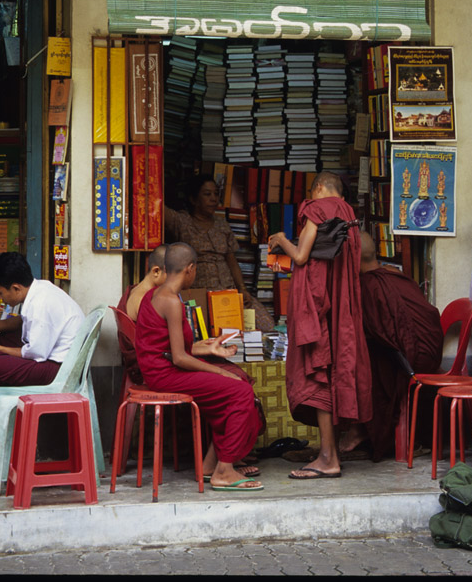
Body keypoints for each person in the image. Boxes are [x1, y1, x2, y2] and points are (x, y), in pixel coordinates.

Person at [135, 241, 265, 491]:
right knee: (239, 391)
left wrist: (209, 350)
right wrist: (218, 370)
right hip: (165, 375)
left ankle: (209, 465)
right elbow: (179, 358)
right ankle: (225, 471)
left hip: (164, 367)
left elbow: (173, 348)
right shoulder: (171, 301)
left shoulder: (156, 294)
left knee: (239, 377)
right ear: (190, 269)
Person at [268, 171, 372, 480]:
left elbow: (301, 257)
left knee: (319, 376)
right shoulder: (350, 216)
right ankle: (330, 451)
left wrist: (282, 239)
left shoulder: (315, 208)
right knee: (333, 373)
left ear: (317, 189)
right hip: (343, 309)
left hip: (319, 307)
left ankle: (328, 458)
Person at [339, 232, 444, 461]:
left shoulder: (369, 285)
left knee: (354, 363)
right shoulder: (394, 274)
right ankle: (361, 430)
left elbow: (381, 333)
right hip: (430, 350)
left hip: (412, 358)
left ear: (352, 258)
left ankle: (360, 430)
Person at [164, 173, 274, 332]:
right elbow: (157, 206)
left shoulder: (222, 225)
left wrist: (242, 289)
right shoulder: (182, 221)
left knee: (266, 325)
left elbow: (231, 260)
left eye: (216, 194)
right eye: (207, 194)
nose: (213, 199)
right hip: (199, 293)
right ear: (193, 199)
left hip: (228, 291)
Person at [0, 252, 84, 396]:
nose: (0, 298)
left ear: (16, 288)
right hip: (55, 354)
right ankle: (1, 382)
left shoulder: (40, 305)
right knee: (5, 338)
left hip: (59, 369)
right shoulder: (39, 287)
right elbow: (23, 320)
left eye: (0, 293)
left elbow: (35, 353)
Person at [114, 244, 167, 384]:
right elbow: (160, 347)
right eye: (173, 276)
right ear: (156, 271)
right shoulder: (145, 299)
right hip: (147, 369)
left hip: (138, 364)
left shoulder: (135, 289)